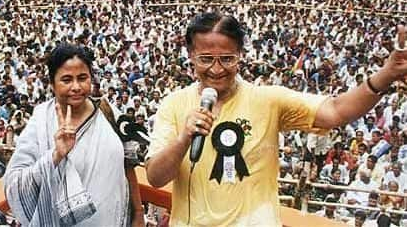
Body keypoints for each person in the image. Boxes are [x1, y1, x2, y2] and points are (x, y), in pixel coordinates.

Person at [146, 12, 407, 226]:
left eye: (227, 59)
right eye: (205, 59)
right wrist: (183, 139)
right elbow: (156, 178)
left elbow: (336, 111)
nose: (216, 69)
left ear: (240, 55)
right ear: (190, 55)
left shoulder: (267, 100)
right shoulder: (174, 104)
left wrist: (386, 75)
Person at [4, 44, 144, 226]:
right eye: (67, 80)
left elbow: (128, 164)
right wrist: (55, 156)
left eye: (82, 78)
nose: (76, 87)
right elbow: (15, 185)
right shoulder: (41, 122)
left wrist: (139, 212)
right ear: (52, 83)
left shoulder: (107, 111)